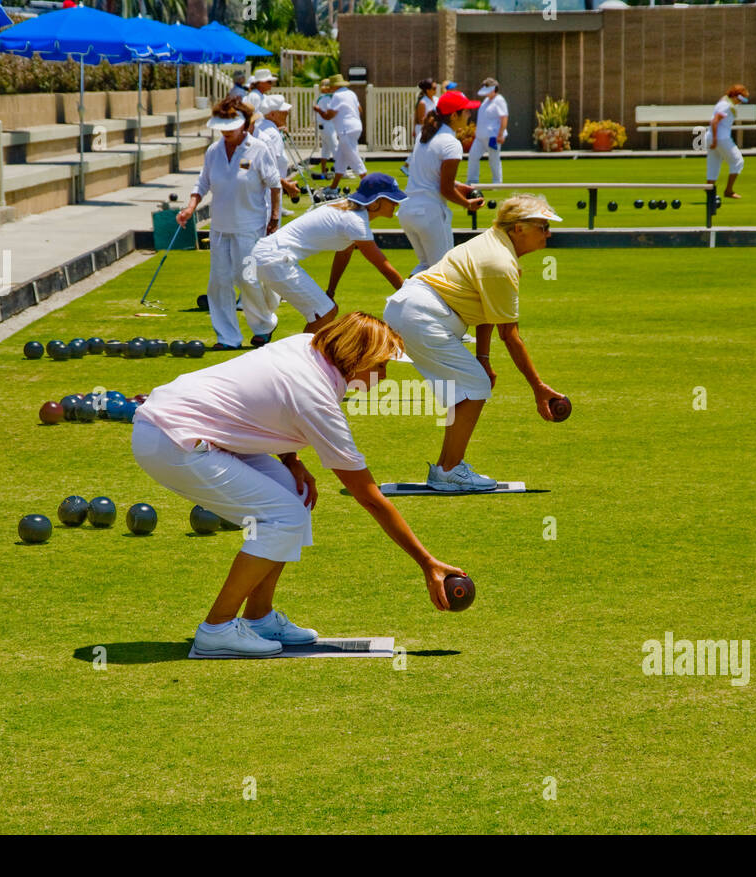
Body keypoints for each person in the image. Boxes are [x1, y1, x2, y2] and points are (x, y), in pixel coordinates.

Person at [132, 313, 467, 658]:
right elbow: (370, 498)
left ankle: (259, 617)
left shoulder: (307, 347)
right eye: (380, 366)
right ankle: (216, 629)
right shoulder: (317, 398)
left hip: (190, 427)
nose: (382, 377)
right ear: (357, 357)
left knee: (296, 495)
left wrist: (292, 462)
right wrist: (426, 563)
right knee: (284, 515)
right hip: (172, 439)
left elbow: (267, 403)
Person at [383, 195, 565, 492]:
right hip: (422, 316)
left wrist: (483, 357)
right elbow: (510, 335)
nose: (548, 233)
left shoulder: (493, 244)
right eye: (542, 226)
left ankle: (446, 468)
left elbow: (486, 309)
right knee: (475, 386)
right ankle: (449, 470)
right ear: (518, 228)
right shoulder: (500, 262)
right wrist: (538, 387)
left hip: (414, 309)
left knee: (469, 385)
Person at [176, 96, 281, 351]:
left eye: (231, 125)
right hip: (220, 226)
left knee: (247, 279)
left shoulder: (258, 148)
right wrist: (190, 206)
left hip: (250, 224)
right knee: (219, 282)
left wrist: (275, 216)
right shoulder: (213, 151)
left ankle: (264, 327)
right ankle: (227, 337)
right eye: (222, 126)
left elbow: (275, 184)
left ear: (244, 124)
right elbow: (202, 183)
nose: (226, 131)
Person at [250, 173, 406, 337]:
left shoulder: (348, 212)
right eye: (391, 198)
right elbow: (384, 266)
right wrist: (410, 294)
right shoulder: (355, 222)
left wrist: (331, 291)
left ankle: (301, 355)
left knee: (326, 310)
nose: (396, 203)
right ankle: (300, 359)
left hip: (266, 255)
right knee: (324, 312)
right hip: (275, 258)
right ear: (376, 201)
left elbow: (343, 255)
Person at [398, 90, 485, 275]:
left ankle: (403, 300)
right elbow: (444, 189)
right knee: (445, 271)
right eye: (466, 111)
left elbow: (432, 178)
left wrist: (460, 187)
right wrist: (467, 203)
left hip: (407, 211)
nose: (470, 114)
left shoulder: (424, 137)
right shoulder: (451, 143)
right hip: (429, 214)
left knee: (425, 266)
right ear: (454, 116)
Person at [251, 93, 301, 214]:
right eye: (283, 111)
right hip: (269, 196)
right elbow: (270, 169)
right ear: (272, 114)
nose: (287, 113)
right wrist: (288, 186)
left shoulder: (263, 128)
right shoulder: (273, 135)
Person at [313, 73, 365, 190]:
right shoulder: (351, 93)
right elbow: (360, 110)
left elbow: (328, 116)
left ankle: (369, 183)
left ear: (335, 86)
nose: (330, 88)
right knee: (341, 159)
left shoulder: (337, 96)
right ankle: (333, 187)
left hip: (346, 129)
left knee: (353, 156)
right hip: (356, 126)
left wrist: (318, 110)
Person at [708, 83, 749, 200]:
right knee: (738, 161)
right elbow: (715, 121)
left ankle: (710, 194)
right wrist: (715, 139)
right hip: (721, 138)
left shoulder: (724, 101)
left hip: (711, 137)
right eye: (740, 99)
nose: (740, 103)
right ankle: (728, 190)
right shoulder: (726, 106)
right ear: (735, 96)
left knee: (713, 165)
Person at [467, 78, 508, 186]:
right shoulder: (486, 101)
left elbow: (504, 118)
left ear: (494, 89)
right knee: (473, 156)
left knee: (493, 159)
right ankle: (472, 181)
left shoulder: (499, 100)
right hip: (480, 136)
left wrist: (500, 134)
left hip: (492, 137)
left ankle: (497, 182)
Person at [313, 77, 337, 176]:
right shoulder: (327, 98)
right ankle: (341, 171)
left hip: (323, 126)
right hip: (328, 125)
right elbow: (329, 113)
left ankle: (324, 171)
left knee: (326, 148)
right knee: (335, 147)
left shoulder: (322, 97)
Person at [412, 78, 438, 148]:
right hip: (423, 130)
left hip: (433, 129)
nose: (436, 90)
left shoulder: (436, 99)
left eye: (436, 88)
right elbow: (421, 120)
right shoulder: (422, 103)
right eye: (434, 88)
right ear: (428, 90)